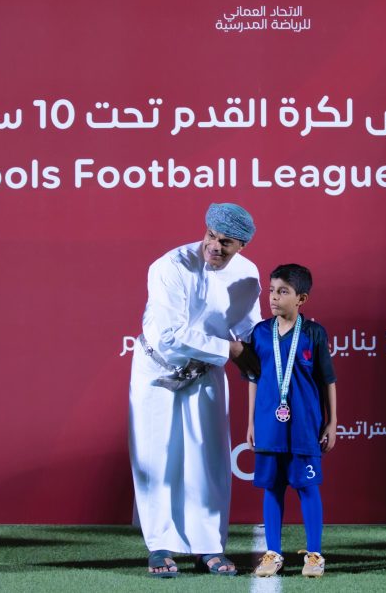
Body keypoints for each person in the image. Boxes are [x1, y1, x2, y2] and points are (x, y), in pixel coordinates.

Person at [128, 203, 262, 577]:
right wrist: (232, 351)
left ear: (242, 246)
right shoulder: (169, 266)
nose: (215, 246)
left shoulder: (247, 274)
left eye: (226, 242)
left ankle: (209, 547)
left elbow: (248, 327)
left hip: (205, 371)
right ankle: (160, 547)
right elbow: (170, 335)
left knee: (210, 459)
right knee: (158, 456)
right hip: (157, 368)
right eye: (211, 236)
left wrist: (272, 349)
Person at [246, 264, 337, 579]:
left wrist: (332, 422)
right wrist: (251, 422)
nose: (273, 297)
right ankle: (273, 553)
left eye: (283, 291)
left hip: (304, 426)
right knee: (272, 488)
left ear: (301, 298)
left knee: (307, 488)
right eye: (271, 290)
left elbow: (327, 381)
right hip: (269, 425)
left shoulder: (313, 333)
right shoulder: (260, 333)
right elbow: (253, 379)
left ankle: (314, 555)